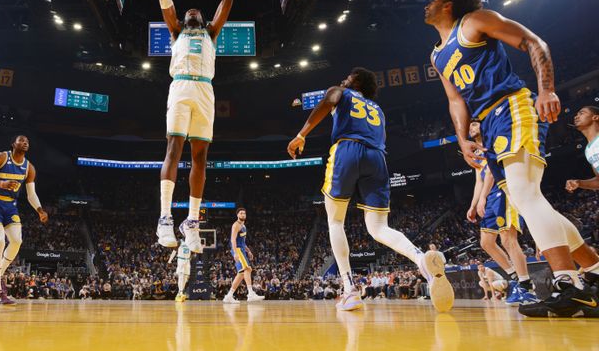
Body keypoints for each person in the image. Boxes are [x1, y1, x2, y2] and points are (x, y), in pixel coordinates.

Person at [426, 0, 599, 317]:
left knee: (524, 194)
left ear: (448, 5)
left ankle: (568, 284)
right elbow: (455, 100)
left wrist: (546, 89)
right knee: (529, 198)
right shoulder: (436, 55)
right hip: (488, 126)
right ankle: (593, 272)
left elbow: (534, 42)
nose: (427, 5)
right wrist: (462, 138)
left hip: (512, 106)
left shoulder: (475, 21)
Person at [287, 68, 453, 312]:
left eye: (349, 77)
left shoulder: (340, 91)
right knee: (378, 228)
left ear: (357, 83)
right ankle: (421, 259)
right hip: (377, 157)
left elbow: (326, 101)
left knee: (335, 221)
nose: (344, 78)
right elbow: (381, 138)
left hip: (348, 149)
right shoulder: (378, 110)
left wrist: (301, 134)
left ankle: (349, 289)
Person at [155, 0, 233, 251]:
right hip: (181, 86)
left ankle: (190, 221)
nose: (191, 11)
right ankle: (164, 217)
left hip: (205, 92)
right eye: (188, 10)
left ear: (203, 19)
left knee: (200, 157)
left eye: (196, 10)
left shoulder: (212, 32)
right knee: (174, 149)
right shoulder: (176, 31)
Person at [466, 120, 537, 305]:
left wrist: (482, 198)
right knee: (486, 242)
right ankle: (514, 278)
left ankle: (527, 286)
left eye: (475, 124)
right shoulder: (475, 153)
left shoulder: (492, 141)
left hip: (503, 190)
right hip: (488, 196)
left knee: (507, 239)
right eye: (470, 127)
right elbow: (479, 181)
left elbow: (490, 173)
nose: (471, 128)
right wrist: (473, 205)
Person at [0, 135, 49, 305]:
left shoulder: (29, 168)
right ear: (13, 144)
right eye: (21, 140)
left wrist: (40, 210)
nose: (25, 142)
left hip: (10, 206)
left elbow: (31, 194)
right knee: (0, 241)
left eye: (27, 141)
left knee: (16, 241)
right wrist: (0, 184)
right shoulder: (2, 157)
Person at [222, 208, 265, 303]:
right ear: (237, 215)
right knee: (248, 269)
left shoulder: (243, 226)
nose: (243, 214)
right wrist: (235, 252)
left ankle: (229, 296)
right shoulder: (236, 225)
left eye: (244, 213)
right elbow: (233, 240)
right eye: (241, 213)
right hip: (237, 250)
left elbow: (242, 242)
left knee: (241, 274)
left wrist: (249, 251)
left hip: (242, 249)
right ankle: (250, 293)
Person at [566, 106, 599, 193]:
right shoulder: (588, 150)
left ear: (595, 117)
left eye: (581, 113)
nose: (576, 116)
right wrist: (579, 183)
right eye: (576, 114)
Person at [168, 237, 193, 302]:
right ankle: (181, 292)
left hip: (187, 261)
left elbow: (192, 252)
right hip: (181, 259)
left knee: (186, 277)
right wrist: (169, 260)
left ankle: (179, 292)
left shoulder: (191, 241)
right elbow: (174, 251)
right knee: (181, 276)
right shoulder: (180, 241)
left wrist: (191, 257)